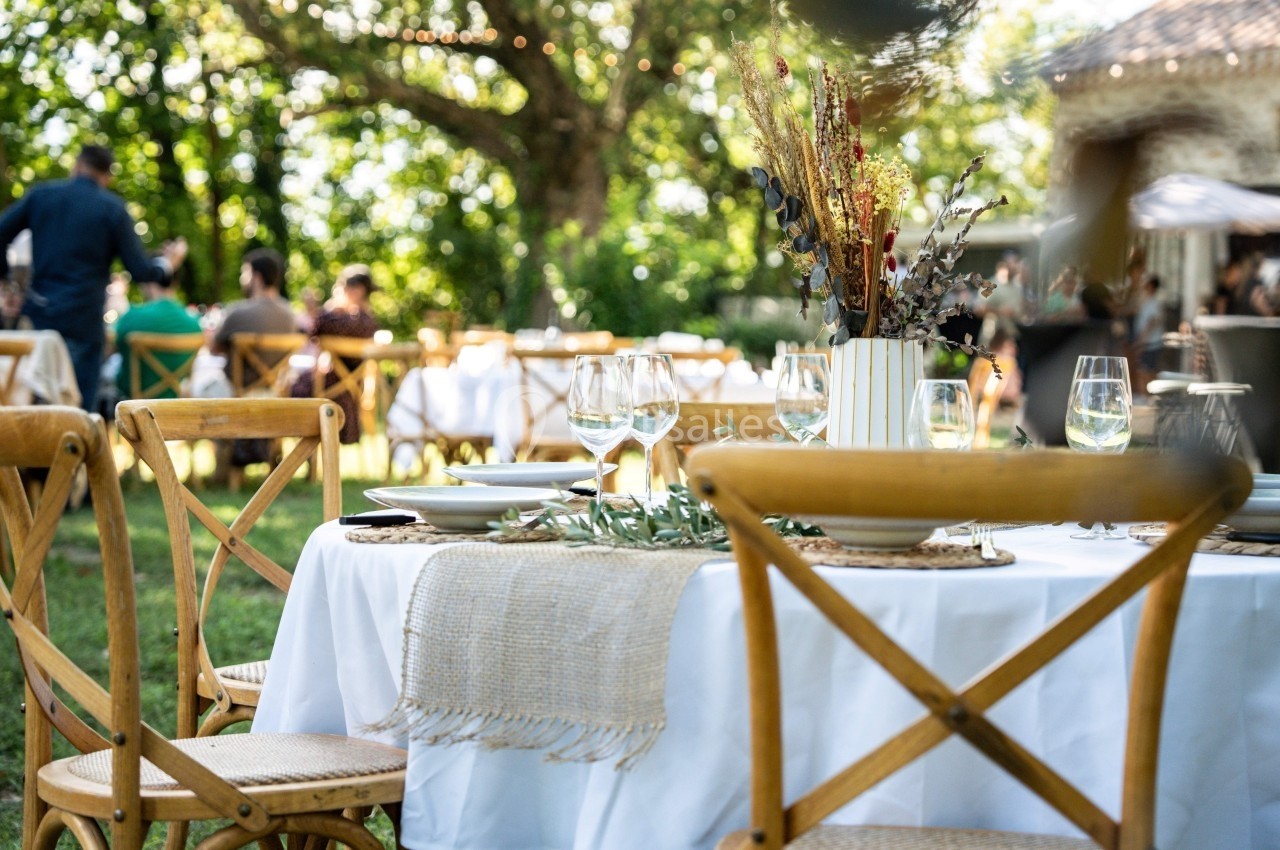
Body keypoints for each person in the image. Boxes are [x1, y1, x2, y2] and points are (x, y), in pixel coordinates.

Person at [0, 144, 187, 412]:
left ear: (76, 166)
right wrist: (167, 264)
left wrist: (10, 284)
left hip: (38, 317)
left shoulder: (40, 197)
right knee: (78, 411)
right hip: (83, 321)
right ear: (107, 176)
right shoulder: (111, 208)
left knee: (27, 403)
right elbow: (141, 270)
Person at [291, 264, 379, 444]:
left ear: (357, 290)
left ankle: (302, 452)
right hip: (354, 389)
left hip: (328, 388)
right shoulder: (370, 323)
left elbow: (316, 327)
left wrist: (332, 308)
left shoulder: (336, 320)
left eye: (340, 287)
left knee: (296, 385)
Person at [208, 246, 297, 392]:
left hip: (233, 393)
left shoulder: (238, 312)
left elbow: (214, 348)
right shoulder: (290, 316)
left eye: (245, 273)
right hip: (273, 393)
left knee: (192, 385)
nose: (241, 278)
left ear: (257, 277)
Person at [113, 274, 203, 400]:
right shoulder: (194, 324)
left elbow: (114, 345)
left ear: (146, 284)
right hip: (174, 403)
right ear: (175, 284)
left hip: (132, 405)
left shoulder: (131, 317)